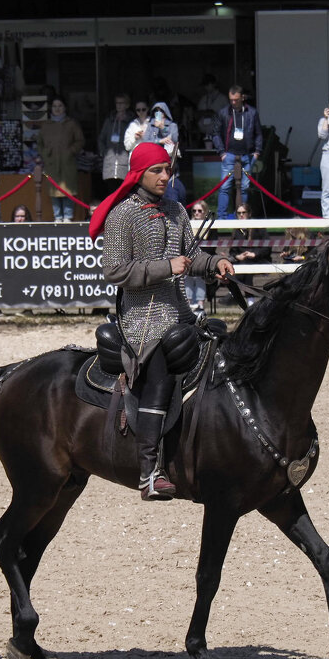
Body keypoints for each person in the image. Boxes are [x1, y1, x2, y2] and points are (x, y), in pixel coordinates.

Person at [88, 143, 234, 500]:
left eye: (168, 170)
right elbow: (114, 270)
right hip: (142, 318)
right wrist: (165, 267)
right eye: (158, 171)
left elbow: (192, 256)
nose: (165, 177)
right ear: (139, 174)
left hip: (180, 312)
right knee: (162, 368)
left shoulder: (176, 210)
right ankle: (149, 471)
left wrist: (214, 263)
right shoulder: (123, 215)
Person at [213, 85, 264, 219]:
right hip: (229, 154)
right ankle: (222, 218)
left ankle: (243, 217)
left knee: (245, 187)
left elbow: (258, 133)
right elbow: (216, 133)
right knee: (224, 187)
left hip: (247, 155)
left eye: (236, 100)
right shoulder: (224, 112)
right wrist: (221, 153)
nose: (233, 102)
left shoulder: (252, 113)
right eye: (231, 100)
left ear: (242, 98)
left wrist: (257, 152)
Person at [38, 96, 85, 222]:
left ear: (64, 108)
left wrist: (71, 151)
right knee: (54, 190)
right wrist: (45, 154)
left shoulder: (71, 124)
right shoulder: (46, 125)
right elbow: (39, 143)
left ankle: (68, 216)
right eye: (54, 106)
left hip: (67, 162)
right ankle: (57, 216)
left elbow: (80, 141)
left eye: (60, 106)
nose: (57, 109)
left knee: (68, 189)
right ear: (51, 109)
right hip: (52, 162)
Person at [98, 94, 133, 195]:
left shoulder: (132, 121)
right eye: (117, 103)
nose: (119, 106)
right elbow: (101, 138)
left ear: (127, 105)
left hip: (125, 160)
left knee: (124, 192)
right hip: (110, 160)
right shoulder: (109, 120)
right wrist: (104, 152)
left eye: (122, 103)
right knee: (111, 191)